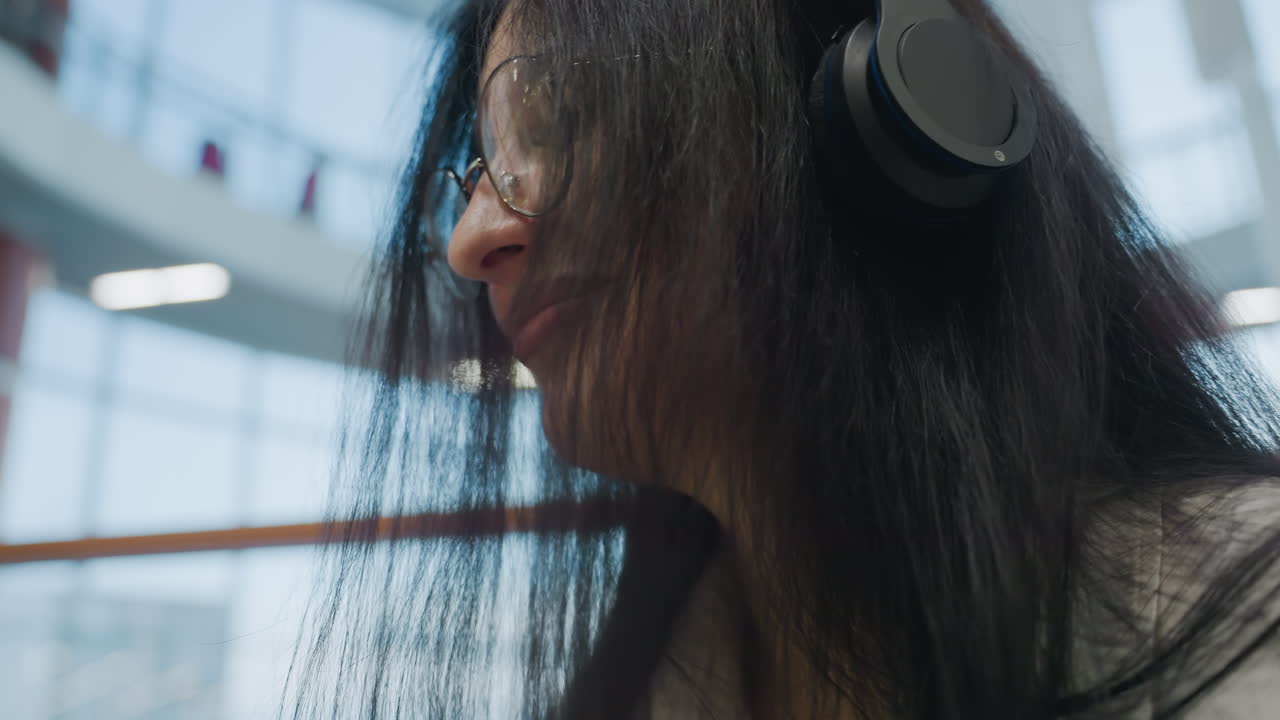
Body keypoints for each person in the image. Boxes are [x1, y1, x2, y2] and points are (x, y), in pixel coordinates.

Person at [285, 0, 1280, 717]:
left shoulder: (1255, 613)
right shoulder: (648, 675)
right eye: (486, 160)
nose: (468, 243)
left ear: (881, 122)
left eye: (556, 123)